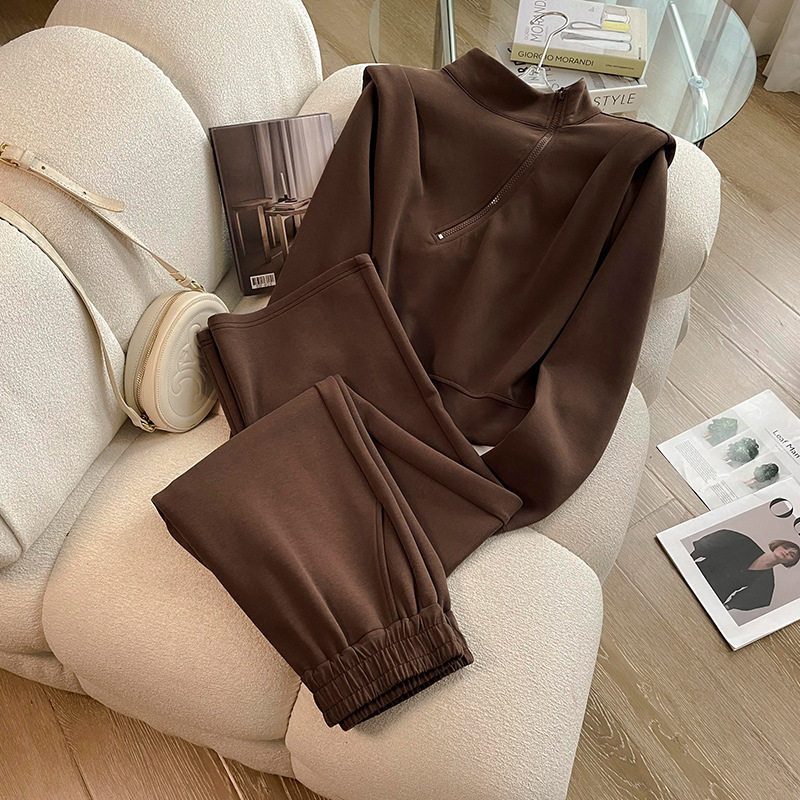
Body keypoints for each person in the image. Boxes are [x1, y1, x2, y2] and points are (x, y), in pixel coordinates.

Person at [690, 530, 800, 611]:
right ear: (777, 545)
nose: (786, 552)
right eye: (786, 547)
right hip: (694, 574)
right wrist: (689, 558)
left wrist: (728, 606)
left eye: (791, 555)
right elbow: (713, 542)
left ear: (789, 563)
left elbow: (759, 598)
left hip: (711, 597)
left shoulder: (767, 579)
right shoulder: (745, 543)